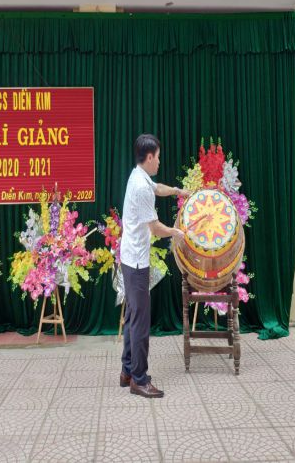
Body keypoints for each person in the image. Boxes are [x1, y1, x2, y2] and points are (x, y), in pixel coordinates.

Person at [119, 133, 189, 398]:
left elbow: (157, 188)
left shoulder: (139, 176)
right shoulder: (140, 187)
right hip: (137, 262)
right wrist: (176, 233)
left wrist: (177, 191)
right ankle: (139, 379)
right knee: (140, 322)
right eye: (158, 157)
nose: (160, 161)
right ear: (149, 157)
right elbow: (156, 228)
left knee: (132, 317)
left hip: (130, 257)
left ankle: (127, 372)